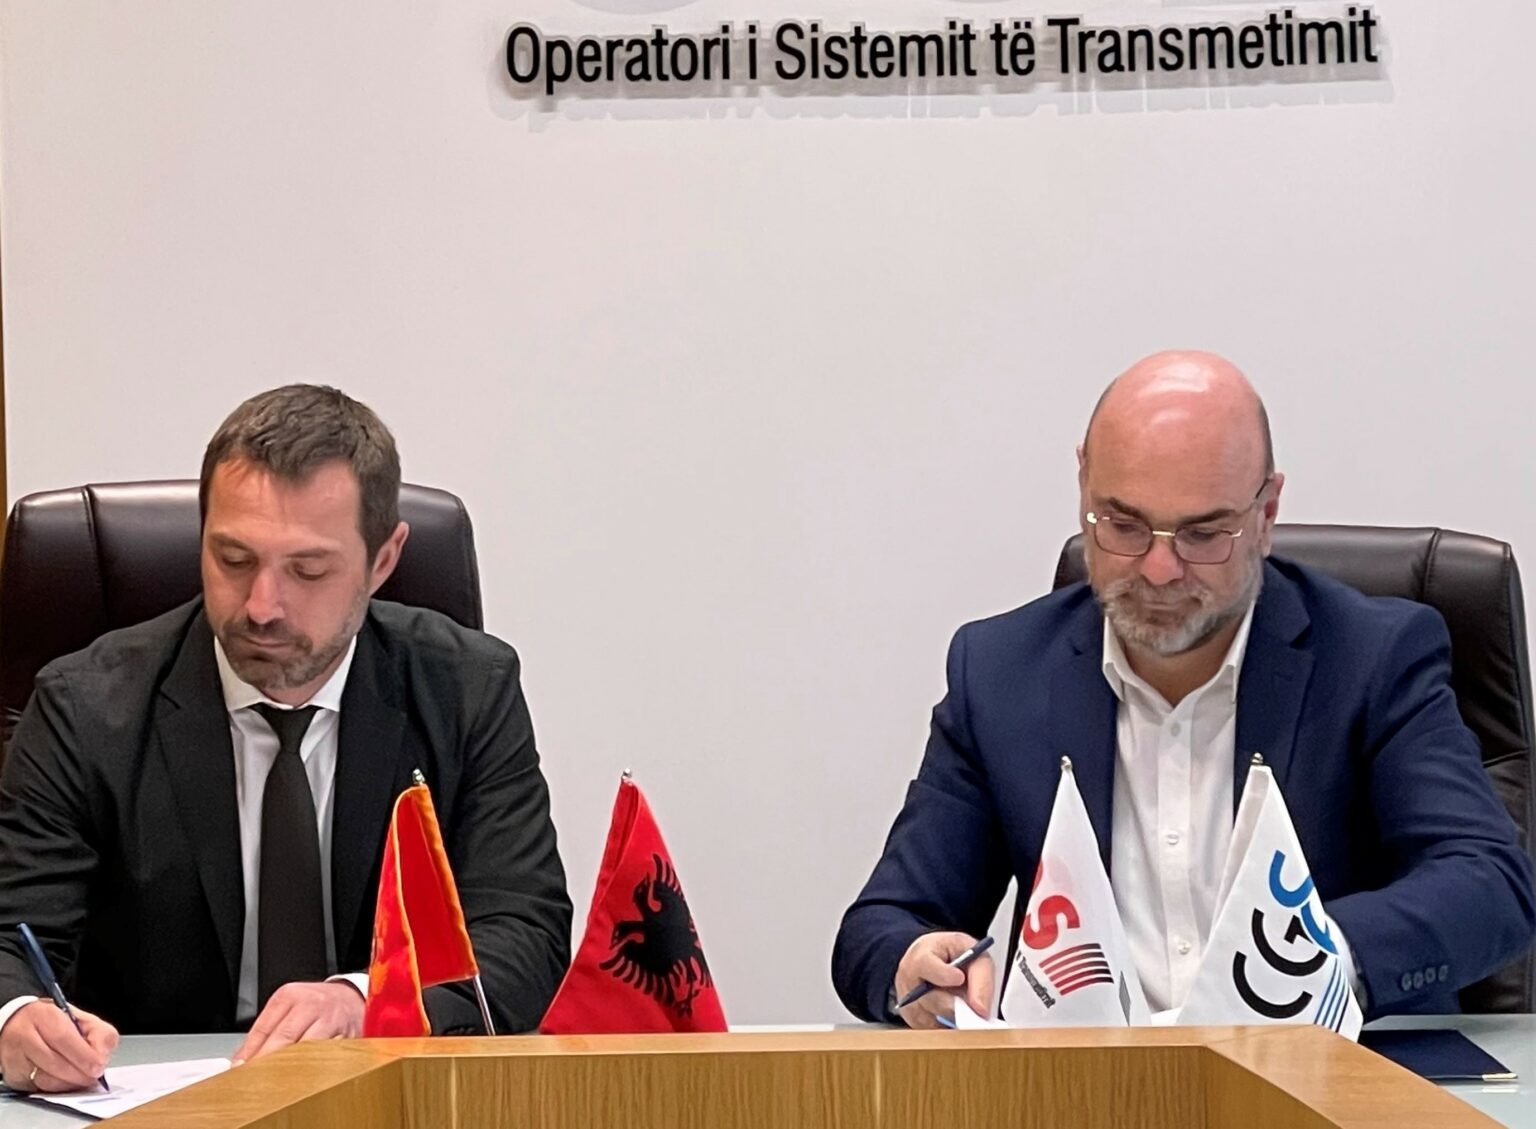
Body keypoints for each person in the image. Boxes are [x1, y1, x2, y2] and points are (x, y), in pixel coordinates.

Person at [832, 350, 1535, 1029]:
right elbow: (883, 926)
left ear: (1266, 514)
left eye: (1203, 535)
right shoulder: (1000, 671)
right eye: (1124, 525)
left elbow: (1490, 884)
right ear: (1083, 487)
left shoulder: (1372, 658)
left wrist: (1309, 963)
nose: (1160, 568)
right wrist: (914, 965)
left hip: (1324, 1077)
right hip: (1092, 1086)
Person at [0, 385, 572, 1091]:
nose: (262, 606)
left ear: (384, 560)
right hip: (155, 1105)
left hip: (388, 1093)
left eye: (308, 570)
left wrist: (365, 1000)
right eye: (233, 559)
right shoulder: (84, 707)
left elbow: (524, 933)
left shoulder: (468, 690)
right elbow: (11, 936)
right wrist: (16, 1016)